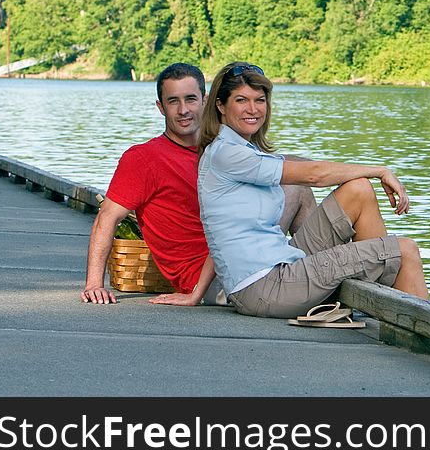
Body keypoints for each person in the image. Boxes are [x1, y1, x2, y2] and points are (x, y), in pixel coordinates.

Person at [194, 62, 429, 319]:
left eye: (259, 100)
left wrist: (196, 293)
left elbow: (219, 234)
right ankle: (421, 342)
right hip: (266, 287)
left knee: (358, 189)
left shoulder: (236, 148)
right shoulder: (229, 153)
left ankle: (374, 289)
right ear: (220, 105)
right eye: (241, 100)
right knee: (405, 251)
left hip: (279, 265)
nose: (253, 109)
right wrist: (380, 170)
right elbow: (314, 175)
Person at [81, 62, 316, 305]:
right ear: (161, 108)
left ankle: (313, 271)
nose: (183, 110)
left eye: (191, 99)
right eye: (173, 101)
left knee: (295, 181)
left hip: (242, 255)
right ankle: (314, 273)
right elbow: (106, 217)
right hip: (212, 280)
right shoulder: (143, 159)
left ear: (205, 101)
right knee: (295, 186)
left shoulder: (222, 149)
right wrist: (94, 284)